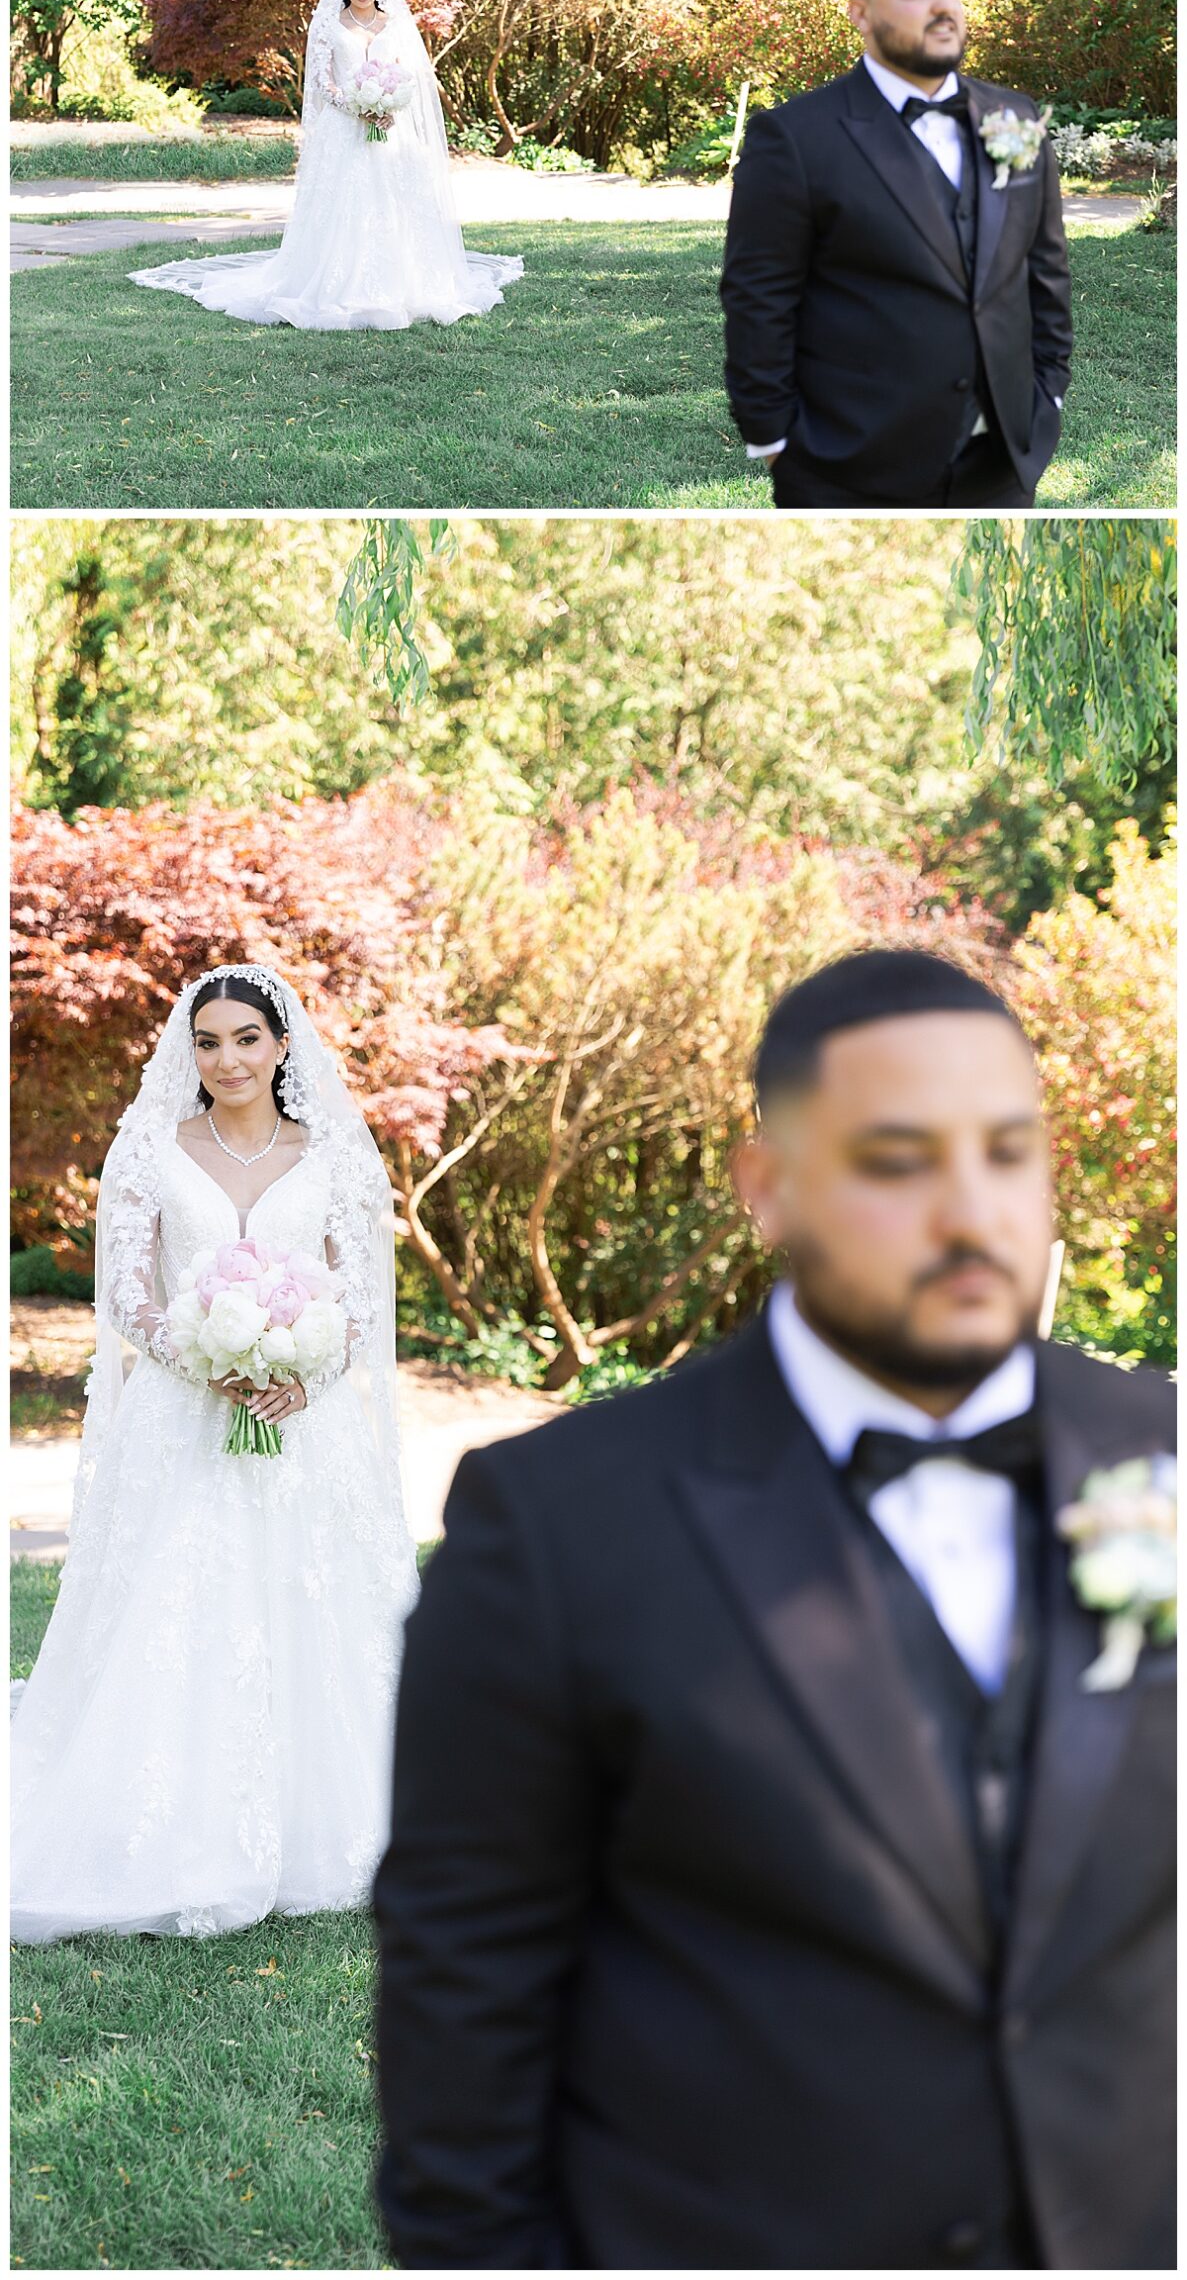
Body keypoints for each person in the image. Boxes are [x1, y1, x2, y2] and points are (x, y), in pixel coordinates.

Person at [374, 948, 1174, 2270]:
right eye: (894, 1161)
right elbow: (465, 1994)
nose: (967, 1212)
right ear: (766, 1189)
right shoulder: (556, 1523)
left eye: (1005, 1153)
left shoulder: (1162, 1456)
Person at [11, 965, 418, 1942]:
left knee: (311, 1600)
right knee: (175, 1597)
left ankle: (328, 1812)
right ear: (187, 1053)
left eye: (245, 1037)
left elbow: (361, 1299)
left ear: (283, 1045)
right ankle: (162, 1815)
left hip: (303, 1421)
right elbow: (126, 1296)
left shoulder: (333, 1156)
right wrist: (203, 1355)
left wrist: (302, 1377)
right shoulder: (151, 1150)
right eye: (208, 1041)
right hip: (180, 1415)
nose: (226, 1058)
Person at [720, 0, 1073, 508]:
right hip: (847, 464)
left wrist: (1048, 393)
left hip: (1001, 460)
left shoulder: (1016, 115)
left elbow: (1045, 268)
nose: (942, 5)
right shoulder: (795, 137)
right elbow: (758, 297)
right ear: (860, 13)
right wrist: (775, 439)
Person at [129, 0, 523, 330]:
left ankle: (405, 283)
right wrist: (356, 106)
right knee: (344, 203)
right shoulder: (329, 24)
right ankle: (335, 283)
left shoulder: (395, 24)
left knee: (392, 201)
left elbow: (408, 76)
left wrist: (390, 107)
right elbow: (321, 81)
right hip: (344, 126)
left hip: (389, 129)